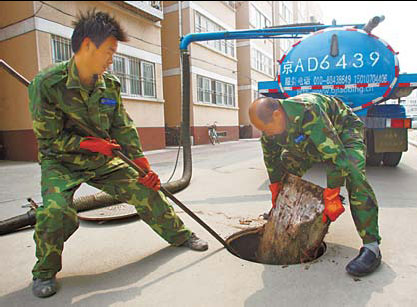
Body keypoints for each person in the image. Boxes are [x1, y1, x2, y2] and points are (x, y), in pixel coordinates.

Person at [28, 10, 208, 298]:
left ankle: (181, 235)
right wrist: (88, 144)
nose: (113, 57)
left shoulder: (109, 85)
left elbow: (123, 127)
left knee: (147, 190)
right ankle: (44, 271)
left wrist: (143, 166)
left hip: (104, 160)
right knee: (55, 212)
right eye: (110, 50)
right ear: (87, 45)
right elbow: (49, 141)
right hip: (61, 162)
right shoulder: (47, 84)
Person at [248, 93, 382, 277]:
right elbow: (272, 162)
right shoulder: (269, 131)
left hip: (343, 131)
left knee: (353, 174)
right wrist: (276, 191)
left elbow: (336, 157)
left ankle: (371, 247)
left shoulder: (308, 110)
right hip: (310, 139)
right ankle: (285, 214)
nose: (266, 133)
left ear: (277, 114)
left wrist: (332, 194)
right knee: (288, 167)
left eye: (266, 128)